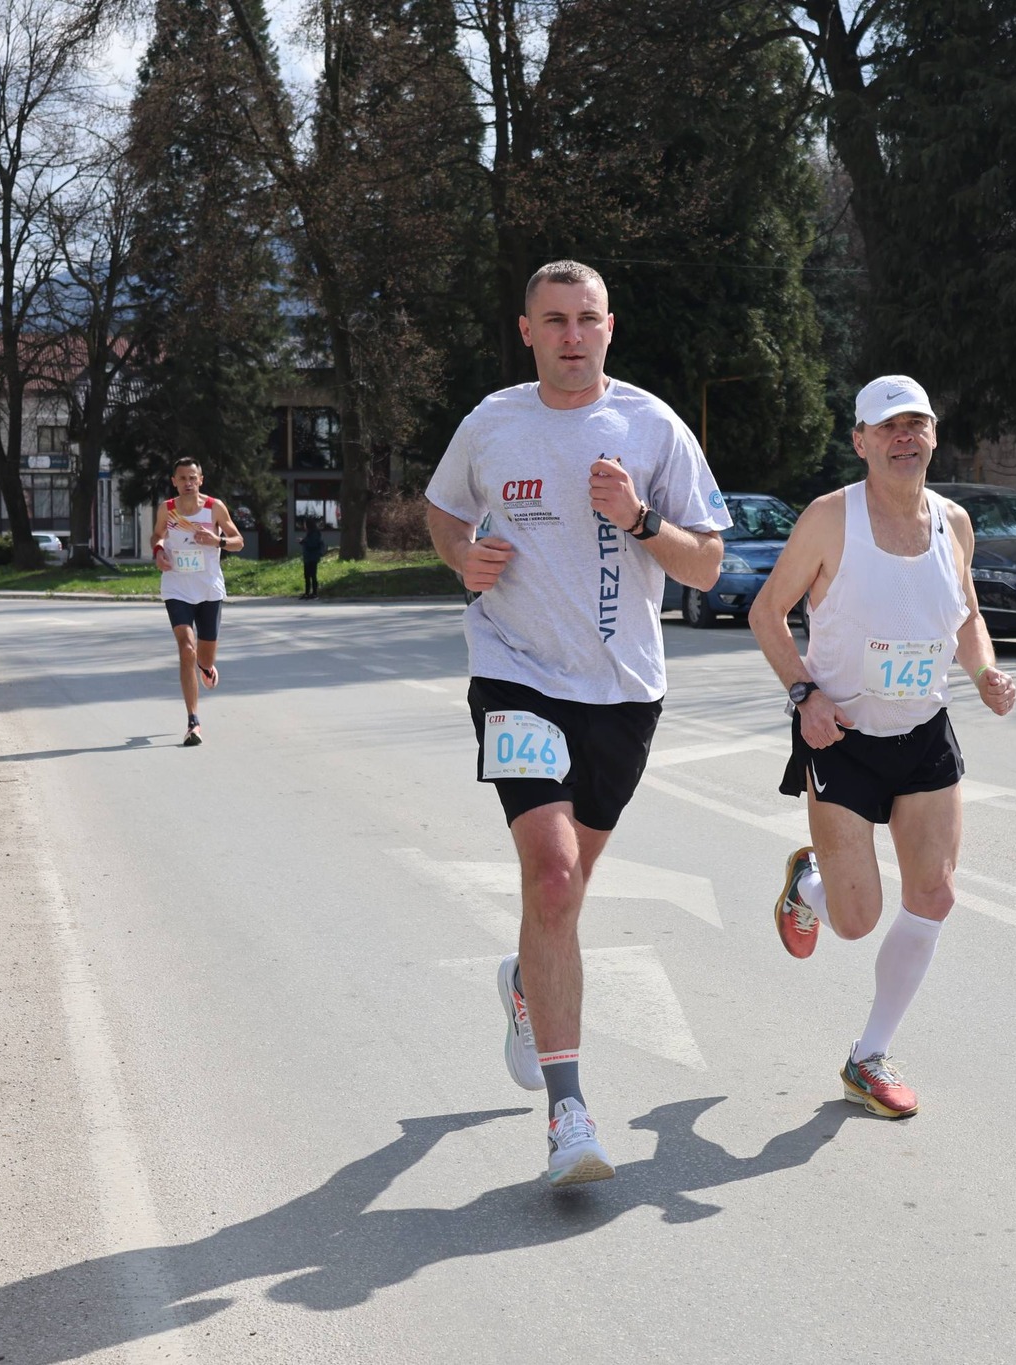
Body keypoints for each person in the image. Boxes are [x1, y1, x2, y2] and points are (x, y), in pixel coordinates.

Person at [424, 259, 728, 1187]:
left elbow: (708, 564)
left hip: (623, 692)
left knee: (567, 890)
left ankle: (528, 980)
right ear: (526, 331)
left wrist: (638, 519)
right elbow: (442, 511)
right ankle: (569, 1113)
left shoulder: (652, 425)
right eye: (553, 320)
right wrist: (462, 557)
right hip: (514, 671)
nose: (570, 335)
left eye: (586, 318)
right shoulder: (492, 422)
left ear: (609, 326)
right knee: (552, 878)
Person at [747, 375, 1016, 1121]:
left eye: (916, 424)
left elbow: (965, 617)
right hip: (840, 737)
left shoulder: (954, 523)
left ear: (933, 435)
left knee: (934, 894)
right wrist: (805, 695)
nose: (905, 437)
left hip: (924, 734)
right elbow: (767, 612)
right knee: (856, 918)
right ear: (861, 442)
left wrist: (985, 672)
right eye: (888, 427)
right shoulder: (829, 520)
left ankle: (868, 1056)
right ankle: (808, 886)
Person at [151, 458, 242, 746]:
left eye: (193, 477)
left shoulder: (214, 507)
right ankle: (193, 721)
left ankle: (206, 668)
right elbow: (157, 535)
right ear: (174, 481)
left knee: (203, 657)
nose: (188, 482)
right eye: (182, 478)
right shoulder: (167, 509)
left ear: (200, 480)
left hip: (208, 590)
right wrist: (158, 552)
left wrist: (218, 541)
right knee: (186, 649)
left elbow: (238, 540)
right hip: (176, 587)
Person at [300, 520, 325, 599]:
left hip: (312, 557)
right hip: (308, 557)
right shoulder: (309, 533)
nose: (304, 526)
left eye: (305, 524)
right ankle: (307, 593)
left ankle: (314, 593)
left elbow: (312, 544)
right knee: (307, 576)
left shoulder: (315, 533)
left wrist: (303, 541)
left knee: (313, 575)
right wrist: (303, 541)